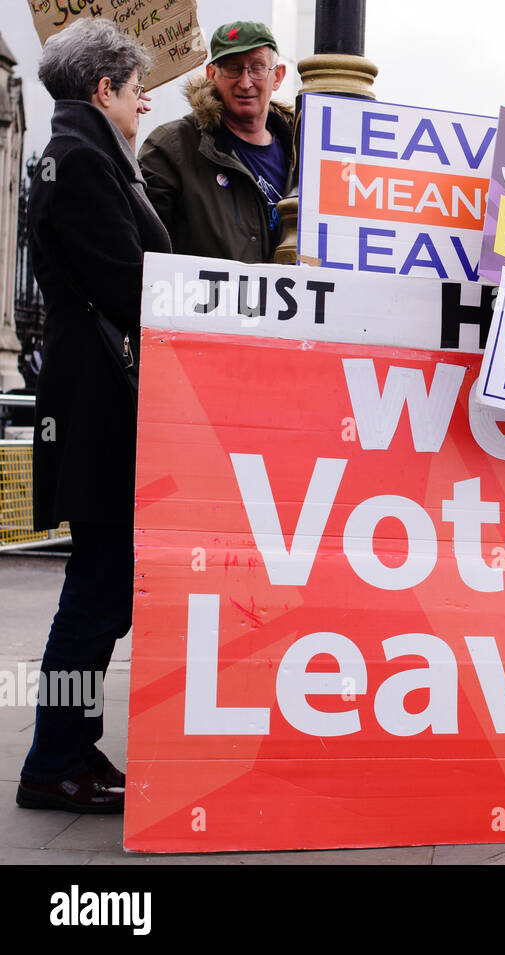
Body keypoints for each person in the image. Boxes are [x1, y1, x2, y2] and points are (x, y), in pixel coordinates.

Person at [19, 19, 172, 814]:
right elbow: (130, 284)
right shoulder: (82, 161)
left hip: (100, 400)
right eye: (136, 87)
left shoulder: (82, 154)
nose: (145, 100)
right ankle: (54, 760)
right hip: (102, 407)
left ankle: (70, 746)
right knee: (96, 594)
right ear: (103, 89)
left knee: (101, 591)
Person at [139, 21, 293, 262]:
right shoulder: (171, 148)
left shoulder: (303, 153)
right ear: (211, 75)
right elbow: (143, 249)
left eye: (257, 68)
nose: (245, 82)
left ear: (278, 76)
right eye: (233, 69)